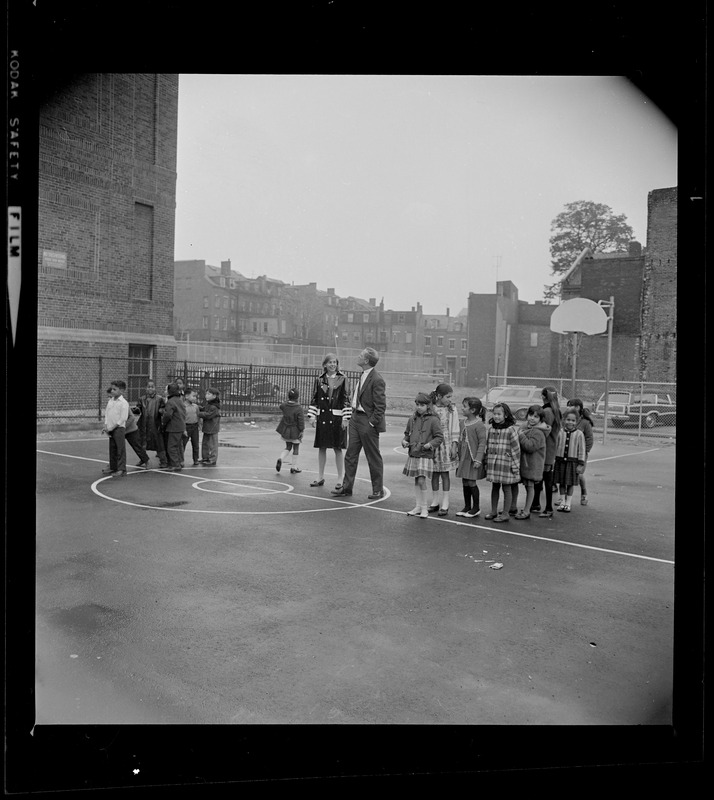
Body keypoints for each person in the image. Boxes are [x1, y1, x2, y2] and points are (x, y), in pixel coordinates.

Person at [331, 347, 386, 499]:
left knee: (373, 456)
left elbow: (381, 407)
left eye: (361, 355)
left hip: (367, 421)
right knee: (350, 455)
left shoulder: (377, 379)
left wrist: (372, 423)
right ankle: (346, 488)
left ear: (367, 360)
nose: (358, 356)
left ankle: (377, 489)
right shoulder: (363, 375)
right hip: (356, 418)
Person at [307, 353, 351, 489]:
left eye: (335, 362)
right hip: (324, 418)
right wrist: (312, 416)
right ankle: (320, 476)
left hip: (337, 418)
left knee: (338, 448)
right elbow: (315, 399)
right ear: (325, 365)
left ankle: (340, 479)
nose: (333, 364)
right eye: (330, 362)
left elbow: (346, 399)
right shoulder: (319, 380)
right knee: (322, 447)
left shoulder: (343, 379)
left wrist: (346, 418)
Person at [401, 393, 444, 518]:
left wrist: (429, 445)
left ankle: (424, 508)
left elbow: (439, 437)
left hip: (425, 454)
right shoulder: (412, 419)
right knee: (417, 480)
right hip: (414, 453)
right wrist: (404, 441)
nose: (419, 407)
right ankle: (418, 506)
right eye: (417, 405)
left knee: (421, 480)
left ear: (428, 405)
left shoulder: (434, 420)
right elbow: (407, 434)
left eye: (422, 405)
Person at [426, 383, 460, 516]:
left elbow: (455, 427)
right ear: (439, 396)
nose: (450, 399)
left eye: (451, 397)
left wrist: (454, 445)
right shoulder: (431, 408)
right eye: (448, 397)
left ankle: (445, 502)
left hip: (446, 442)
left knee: (445, 473)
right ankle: (435, 501)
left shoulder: (451, 409)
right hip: (433, 443)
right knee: (434, 473)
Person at [483, 402, 521, 523]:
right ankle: (493, 511)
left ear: (505, 415)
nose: (496, 416)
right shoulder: (491, 429)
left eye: (499, 414)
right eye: (494, 414)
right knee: (495, 487)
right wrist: (486, 461)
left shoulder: (510, 430)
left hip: (506, 464)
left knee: (506, 488)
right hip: (493, 464)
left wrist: (515, 466)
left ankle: (505, 513)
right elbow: (488, 447)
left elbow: (516, 450)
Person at [532, 386, 562, 519]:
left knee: (544, 479)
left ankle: (548, 507)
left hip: (545, 449)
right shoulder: (555, 410)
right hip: (550, 449)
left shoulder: (547, 411)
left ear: (543, 397)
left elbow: (544, 430)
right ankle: (536, 503)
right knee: (543, 478)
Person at [454, 396, 487, 518]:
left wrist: (478, 459)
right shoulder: (462, 422)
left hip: (473, 458)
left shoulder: (479, 425)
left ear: (472, 410)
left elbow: (482, 443)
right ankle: (467, 506)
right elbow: (460, 439)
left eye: (464, 406)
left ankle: (476, 507)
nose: (462, 409)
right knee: (465, 481)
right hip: (464, 456)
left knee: (471, 481)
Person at [515, 405, 549, 519]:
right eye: (530, 415)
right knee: (525, 486)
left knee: (530, 487)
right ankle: (517, 508)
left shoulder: (538, 433)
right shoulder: (527, 428)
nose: (532, 418)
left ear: (541, 419)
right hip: (526, 464)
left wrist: (521, 436)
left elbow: (530, 446)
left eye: (536, 417)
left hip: (532, 465)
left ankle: (526, 511)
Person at [553, 410, 587, 512]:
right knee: (561, 483)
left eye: (573, 420)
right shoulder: (560, 432)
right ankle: (562, 502)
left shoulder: (579, 434)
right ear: (564, 420)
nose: (570, 422)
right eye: (568, 420)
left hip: (572, 462)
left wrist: (581, 464)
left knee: (570, 484)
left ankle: (568, 503)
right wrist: (554, 460)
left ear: (576, 421)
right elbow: (556, 446)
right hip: (560, 461)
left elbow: (582, 449)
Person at [567, 398, 594, 505]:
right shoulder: (568, 419)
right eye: (568, 406)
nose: (568, 408)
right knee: (566, 474)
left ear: (578, 407)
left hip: (580, 454)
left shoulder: (585, 423)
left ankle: (584, 493)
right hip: (568, 453)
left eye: (571, 405)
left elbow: (589, 439)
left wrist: (584, 452)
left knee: (578, 474)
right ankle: (564, 499)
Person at [101, 380, 130, 477]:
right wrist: (106, 425)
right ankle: (113, 467)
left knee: (120, 449)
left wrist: (113, 427)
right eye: (112, 389)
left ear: (121, 391)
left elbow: (123, 418)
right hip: (110, 429)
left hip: (118, 429)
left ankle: (122, 469)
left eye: (114, 389)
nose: (112, 391)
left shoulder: (123, 403)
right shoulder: (111, 401)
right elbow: (107, 414)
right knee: (112, 449)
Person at [138, 379, 167, 468]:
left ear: (155, 388)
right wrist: (136, 410)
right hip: (144, 425)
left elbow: (163, 409)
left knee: (159, 444)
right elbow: (138, 409)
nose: (150, 388)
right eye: (148, 387)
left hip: (155, 425)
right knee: (142, 443)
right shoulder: (142, 399)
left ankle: (163, 461)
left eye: (152, 387)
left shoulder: (159, 399)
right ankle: (143, 459)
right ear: (145, 388)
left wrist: (162, 411)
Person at [276, 388, 305, 474]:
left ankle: (281, 458)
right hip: (295, 430)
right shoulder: (299, 408)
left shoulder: (285, 405)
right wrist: (302, 430)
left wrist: (287, 401)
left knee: (288, 447)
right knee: (296, 448)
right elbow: (301, 421)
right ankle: (293, 467)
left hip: (286, 430)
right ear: (297, 397)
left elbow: (281, 406)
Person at [161, 382, 186, 471]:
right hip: (180, 426)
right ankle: (179, 462)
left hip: (173, 427)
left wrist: (163, 422)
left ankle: (175, 464)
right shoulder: (180, 400)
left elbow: (168, 415)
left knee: (171, 447)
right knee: (178, 446)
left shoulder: (171, 402)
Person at [198, 387, 221, 466]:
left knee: (212, 445)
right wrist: (199, 408)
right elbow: (204, 409)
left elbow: (208, 415)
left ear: (214, 396)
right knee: (205, 443)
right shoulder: (209, 404)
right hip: (207, 427)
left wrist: (199, 413)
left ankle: (212, 459)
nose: (206, 395)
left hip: (213, 427)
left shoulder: (214, 407)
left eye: (208, 394)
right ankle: (205, 457)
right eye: (206, 394)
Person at [124, 400, 150, 469]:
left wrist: (124, 426)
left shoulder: (123, 405)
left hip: (131, 430)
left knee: (137, 446)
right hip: (120, 430)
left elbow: (132, 417)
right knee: (116, 447)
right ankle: (113, 465)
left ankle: (145, 460)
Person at [182, 387, 201, 466]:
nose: (195, 398)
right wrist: (184, 429)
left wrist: (199, 424)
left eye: (195, 396)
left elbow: (198, 415)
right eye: (193, 396)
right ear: (186, 396)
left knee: (195, 444)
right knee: (183, 444)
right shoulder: (183, 406)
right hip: (186, 426)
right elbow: (182, 419)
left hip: (194, 426)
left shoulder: (195, 406)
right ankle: (181, 460)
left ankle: (196, 459)